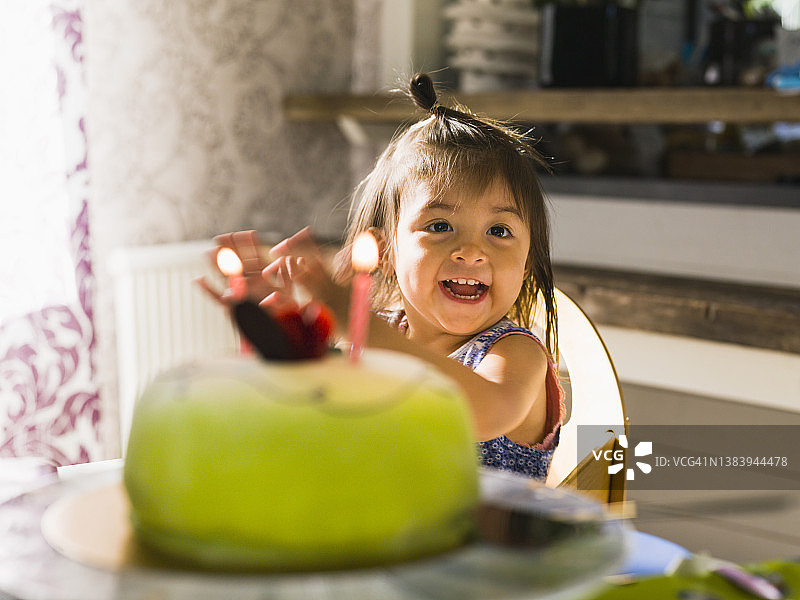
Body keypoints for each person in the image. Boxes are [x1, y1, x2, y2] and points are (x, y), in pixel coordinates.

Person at [202, 73, 564, 481]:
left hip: (484, 543)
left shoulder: (514, 354)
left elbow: (483, 411)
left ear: (528, 261)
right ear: (385, 251)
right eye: (440, 226)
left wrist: (359, 326)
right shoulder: (381, 329)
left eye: (499, 231)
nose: (471, 251)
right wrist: (284, 330)